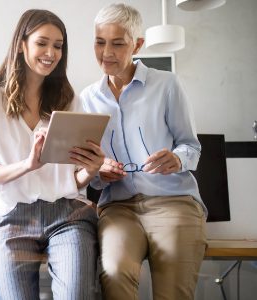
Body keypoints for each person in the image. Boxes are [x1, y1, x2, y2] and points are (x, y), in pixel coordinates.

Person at [0, 9, 104, 300]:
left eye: (58, 45)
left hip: (68, 214)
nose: (51, 53)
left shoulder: (69, 100)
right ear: (21, 44)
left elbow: (72, 178)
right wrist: (27, 165)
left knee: (76, 295)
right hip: (11, 216)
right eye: (42, 43)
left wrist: (90, 170)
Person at [80, 3, 207, 300]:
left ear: (138, 44)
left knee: (172, 293)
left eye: (117, 43)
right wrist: (100, 171)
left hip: (173, 201)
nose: (106, 52)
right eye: (100, 42)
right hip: (118, 208)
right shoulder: (87, 99)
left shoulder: (167, 85)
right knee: (113, 274)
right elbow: (89, 171)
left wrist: (177, 159)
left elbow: (192, 147)